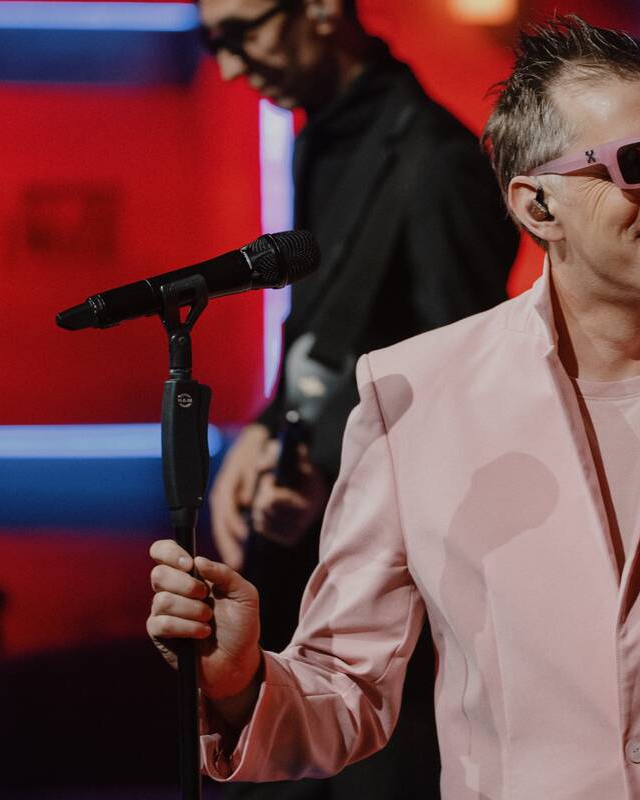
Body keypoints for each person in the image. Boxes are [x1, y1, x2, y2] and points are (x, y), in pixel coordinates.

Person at [149, 16, 640, 799]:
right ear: (537, 207)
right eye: (639, 163)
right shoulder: (412, 393)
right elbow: (347, 689)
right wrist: (241, 682)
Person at [194, 0, 519, 797]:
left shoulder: (438, 160)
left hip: (391, 613)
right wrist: (267, 429)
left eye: (240, 32)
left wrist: (335, 474)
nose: (228, 66)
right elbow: (325, 330)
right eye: (211, 41)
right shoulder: (320, 140)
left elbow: (463, 390)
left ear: (320, 7)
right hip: (299, 573)